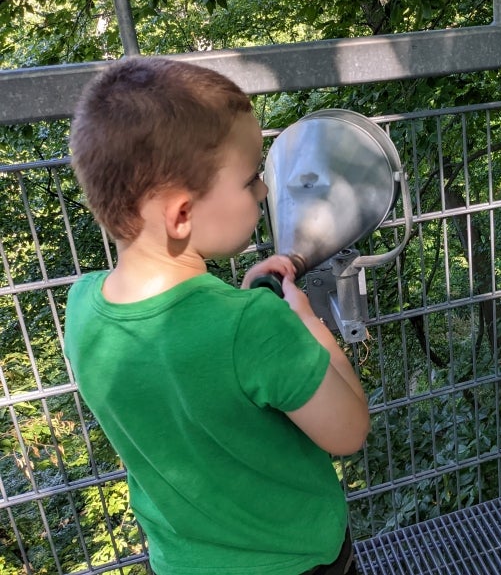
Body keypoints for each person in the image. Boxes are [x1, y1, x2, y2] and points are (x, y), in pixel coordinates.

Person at [64, 56, 370, 575]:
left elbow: (194, 366)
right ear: (182, 213)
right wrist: (307, 325)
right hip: (300, 563)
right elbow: (349, 431)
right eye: (251, 179)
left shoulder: (83, 308)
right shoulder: (253, 326)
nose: (266, 191)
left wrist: (240, 299)